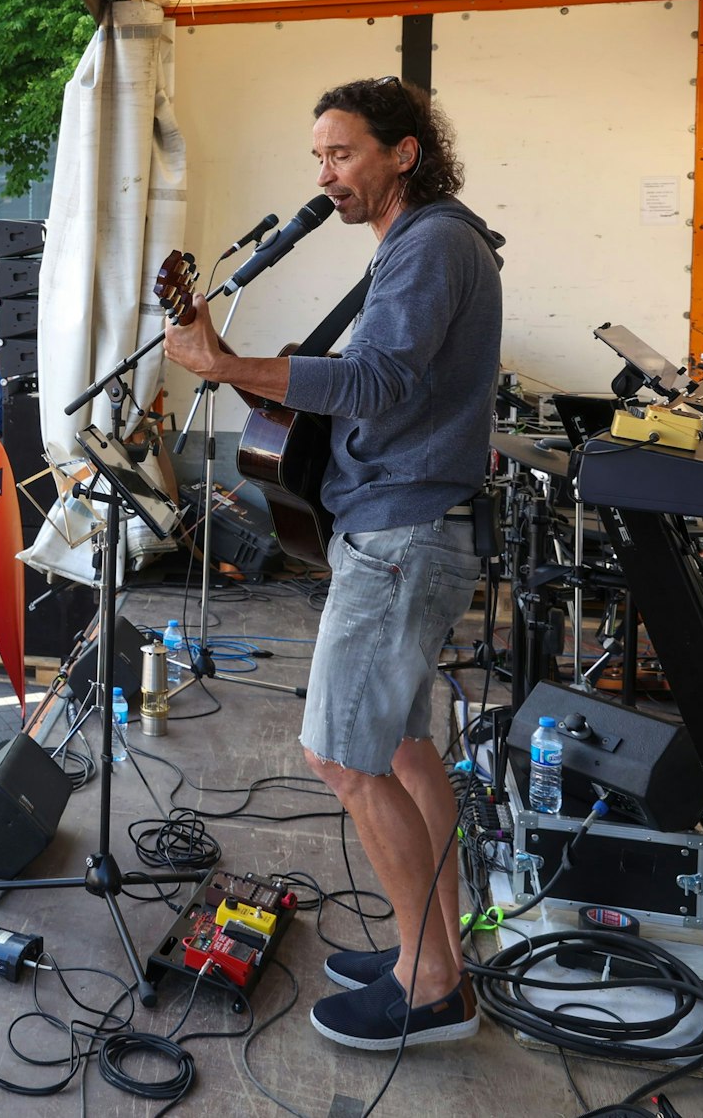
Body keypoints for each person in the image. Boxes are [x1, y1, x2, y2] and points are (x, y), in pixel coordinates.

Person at [161, 76, 500, 1050]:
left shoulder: (431, 241)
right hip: (403, 529)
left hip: (399, 538)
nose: (325, 174)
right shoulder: (423, 240)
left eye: (341, 152)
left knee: (340, 757)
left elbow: (378, 382)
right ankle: (422, 955)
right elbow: (377, 380)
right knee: (398, 748)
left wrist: (227, 369)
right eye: (317, 155)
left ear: (402, 152)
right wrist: (232, 358)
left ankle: (432, 989)